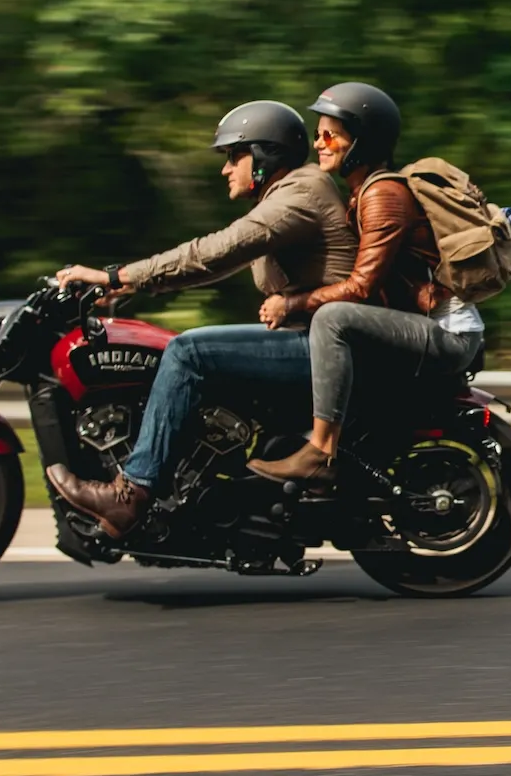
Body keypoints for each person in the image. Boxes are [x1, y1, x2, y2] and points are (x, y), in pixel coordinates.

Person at [46, 101, 356, 536]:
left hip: (321, 347)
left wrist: (116, 275)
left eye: (234, 156)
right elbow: (216, 263)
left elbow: (213, 253)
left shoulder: (300, 194)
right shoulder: (290, 196)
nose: (226, 170)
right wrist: (126, 287)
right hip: (312, 341)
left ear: (265, 156)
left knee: (188, 351)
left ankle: (130, 493)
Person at [247, 82, 483, 484]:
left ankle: (320, 451)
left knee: (334, 318)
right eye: (318, 133)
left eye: (330, 135)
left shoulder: (382, 196)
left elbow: (361, 288)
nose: (319, 143)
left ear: (361, 142)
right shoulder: (362, 192)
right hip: (422, 327)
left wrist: (292, 304)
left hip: (448, 335)